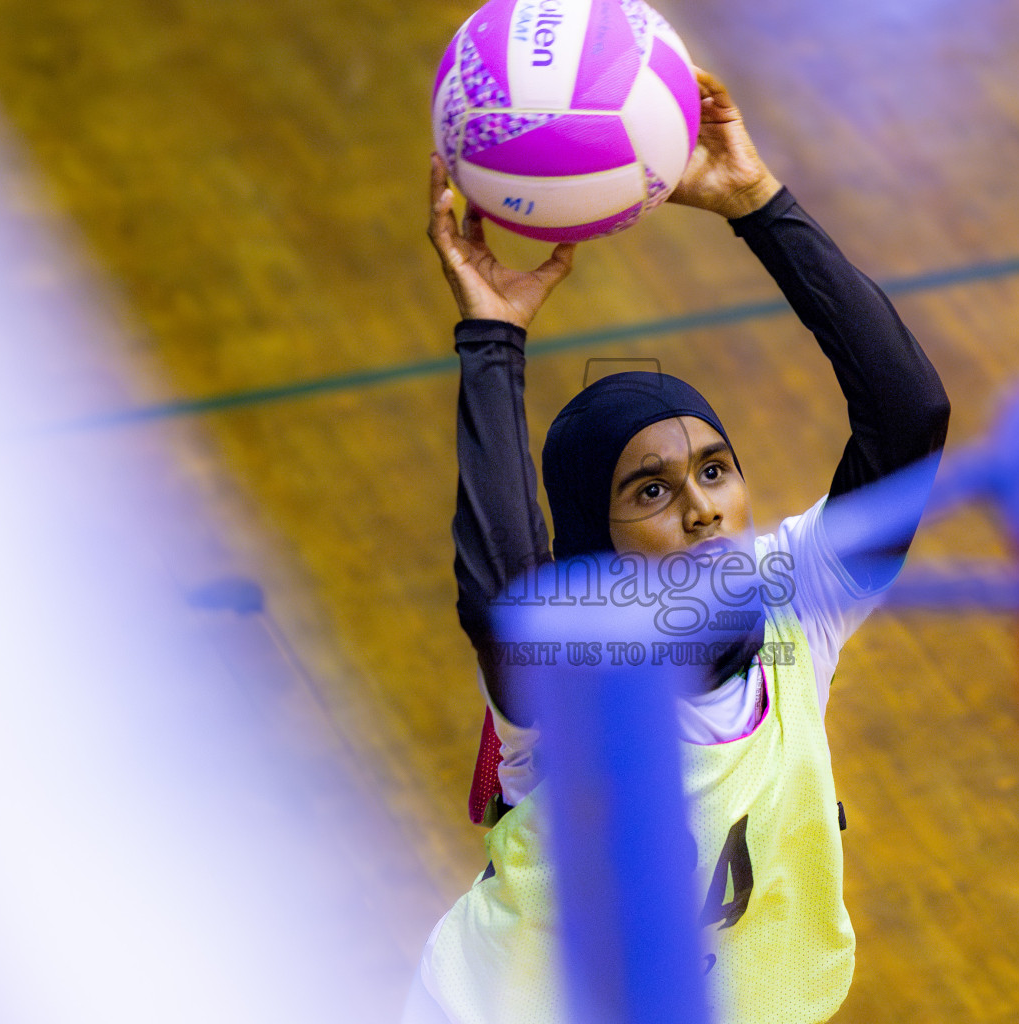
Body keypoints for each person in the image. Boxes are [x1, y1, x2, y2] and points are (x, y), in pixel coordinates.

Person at [408, 67, 950, 1024]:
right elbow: (499, 590)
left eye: (714, 470)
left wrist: (757, 204)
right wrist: (492, 340)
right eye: (649, 490)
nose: (703, 509)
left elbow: (908, 419)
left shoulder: (793, 604)